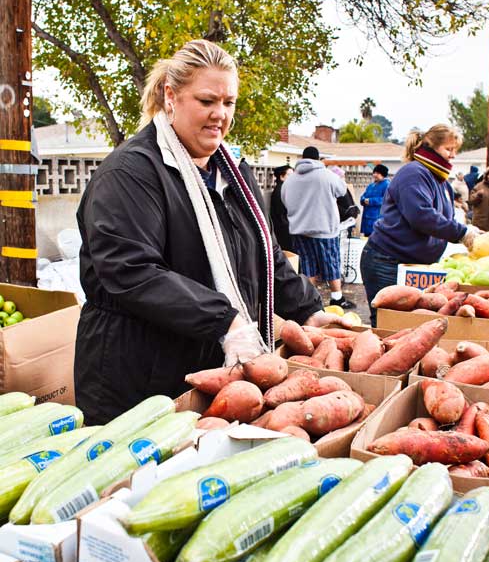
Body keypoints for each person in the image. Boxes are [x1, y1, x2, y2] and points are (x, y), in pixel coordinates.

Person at [74, 40, 340, 424]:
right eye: (206, 101)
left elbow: (266, 257)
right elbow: (132, 271)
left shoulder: (233, 173)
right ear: (171, 96)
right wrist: (226, 321)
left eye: (228, 103)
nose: (220, 114)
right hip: (137, 376)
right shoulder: (130, 173)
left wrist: (311, 311)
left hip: (209, 369)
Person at [359, 124, 481, 326]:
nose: (452, 155)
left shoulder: (441, 182)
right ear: (431, 146)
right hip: (387, 261)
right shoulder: (414, 173)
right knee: (388, 323)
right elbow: (421, 215)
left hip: (416, 264)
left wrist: (468, 229)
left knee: (413, 325)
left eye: (454, 151)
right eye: (448, 149)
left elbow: (443, 220)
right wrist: (461, 233)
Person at [282, 146, 356, 309]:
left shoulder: (290, 180)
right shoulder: (327, 176)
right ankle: (337, 298)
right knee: (330, 263)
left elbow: (285, 201)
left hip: (299, 230)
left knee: (308, 266)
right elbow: (342, 190)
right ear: (318, 159)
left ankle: (311, 301)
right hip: (324, 230)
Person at [359, 164, 390, 236]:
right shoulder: (371, 185)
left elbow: (386, 199)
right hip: (367, 219)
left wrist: (370, 201)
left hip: (377, 219)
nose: (375, 175)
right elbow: (363, 196)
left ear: (383, 175)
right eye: (374, 172)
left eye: (378, 173)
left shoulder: (387, 185)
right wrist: (363, 200)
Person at [269, 164, 294, 251]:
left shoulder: (284, 189)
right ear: (282, 177)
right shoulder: (280, 191)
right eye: (289, 175)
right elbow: (281, 213)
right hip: (283, 230)